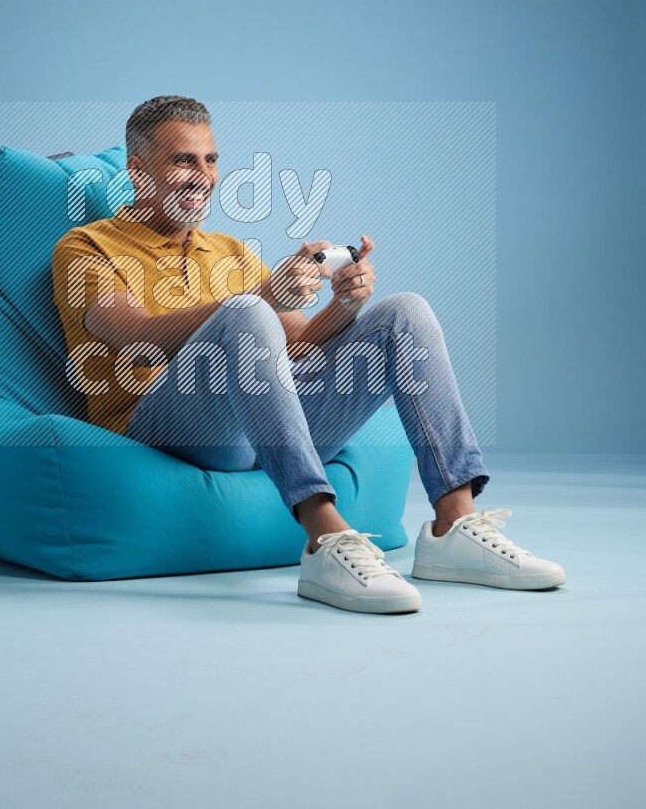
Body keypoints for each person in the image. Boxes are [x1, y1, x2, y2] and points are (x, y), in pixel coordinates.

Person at [52, 95, 566, 614]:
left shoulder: (229, 251)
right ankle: (324, 538)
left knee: (404, 312)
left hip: (259, 428)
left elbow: (299, 347)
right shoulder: (85, 247)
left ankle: (453, 523)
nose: (203, 175)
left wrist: (345, 304)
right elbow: (132, 333)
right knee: (248, 312)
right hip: (164, 427)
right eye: (184, 160)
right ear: (138, 170)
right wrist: (262, 299)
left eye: (210, 160)